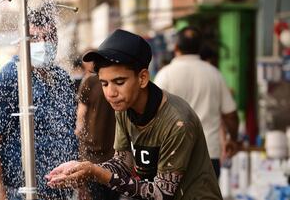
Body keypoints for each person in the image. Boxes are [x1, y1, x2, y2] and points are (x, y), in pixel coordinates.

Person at [46, 29, 223, 200]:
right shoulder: (124, 108)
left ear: (143, 78)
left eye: (119, 82)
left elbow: (160, 194)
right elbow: (123, 163)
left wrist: (96, 173)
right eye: (104, 83)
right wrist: (84, 169)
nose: (111, 93)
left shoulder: (177, 122)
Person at [0, 2, 79, 200]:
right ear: (20, 42)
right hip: (22, 194)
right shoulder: (9, 79)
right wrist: (0, 198)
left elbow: (72, 132)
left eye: (48, 37)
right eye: (33, 38)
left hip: (61, 193)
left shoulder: (62, 79)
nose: (42, 43)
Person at [153, 26, 240, 178]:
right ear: (199, 48)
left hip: (172, 154)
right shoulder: (214, 74)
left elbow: (152, 117)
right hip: (208, 153)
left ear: (176, 47)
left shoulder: (164, 75)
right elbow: (231, 115)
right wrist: (232, 139)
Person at [75, 66, 119, 200]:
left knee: (96, 195)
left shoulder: (90, 82)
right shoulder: (119, 84)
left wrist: (78, 131)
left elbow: (81, 115)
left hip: (93, 153)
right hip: (115, 154)